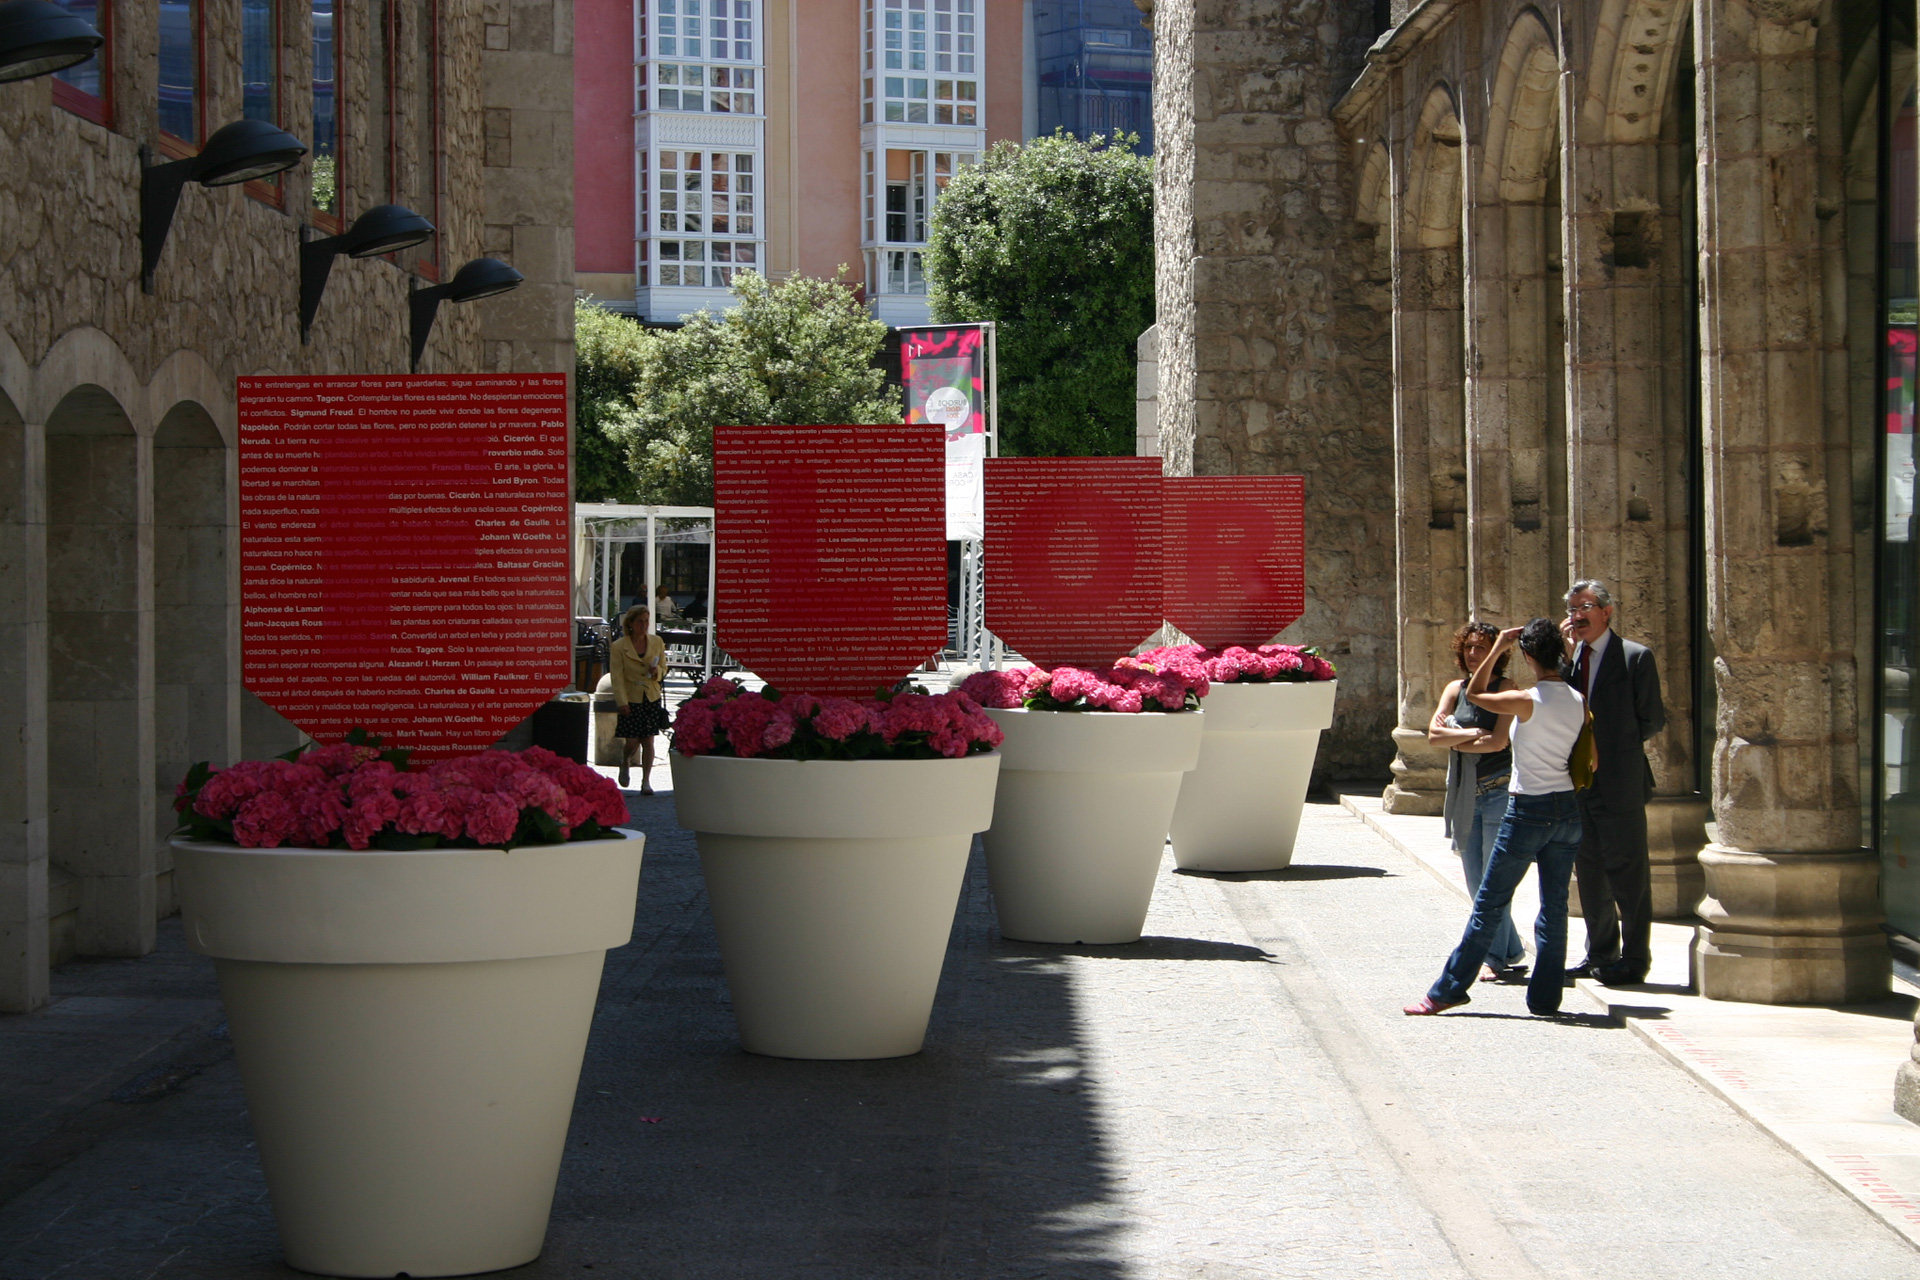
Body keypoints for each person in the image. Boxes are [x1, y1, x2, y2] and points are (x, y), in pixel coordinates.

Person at [1405, 619, 1589, 1017]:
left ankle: (1449, 989)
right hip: (1566, 809)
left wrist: (1496, 646)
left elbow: (1474, 691)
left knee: (1489, 902)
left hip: (1528, 808)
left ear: (1525, 656)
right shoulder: (1577, 699)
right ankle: (1544, 998)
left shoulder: (1526, 699)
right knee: (1554, 907)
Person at [1559, 579, 1666, 986]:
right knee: (1589, 872)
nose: (1577, 616)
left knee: (1629, 874)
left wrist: (1613, 746)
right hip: (1581, 784)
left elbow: (1651, 719)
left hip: (1620, 782)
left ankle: (1636, 958)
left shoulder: (1635, 657)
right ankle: (1601, 952)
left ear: (1606, 612)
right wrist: (1567, 661)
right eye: (1572, 609)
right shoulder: (1570, 661)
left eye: (1584, 607)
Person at [1427, 622, 1526, 984]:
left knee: (1491, 880)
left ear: (1496, 654)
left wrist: (1454, 736)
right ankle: (1512, 948)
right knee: (1474, 881)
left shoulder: (1505, 690)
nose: (1473, 654)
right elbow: (1433, 736)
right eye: (1469, 647)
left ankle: (1495, 956)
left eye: (1482, 647)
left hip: (1498, 790)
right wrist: (1470, 735)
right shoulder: (1455, 689)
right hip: (1466, 793)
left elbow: (1499, 742)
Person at [609, 605, 669, 793]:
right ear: (631, 624)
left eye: (646, 621)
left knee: (648, 741)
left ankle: (646, 781)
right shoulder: (619, 646)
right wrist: (622, 702)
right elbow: (616, 677)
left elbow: (664, 667)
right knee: (632, 742)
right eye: (640, 621)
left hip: (650, 696)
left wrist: (657, 672)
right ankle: (625, 760)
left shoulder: (657, 641)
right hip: (631, 697)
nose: (644, 625)